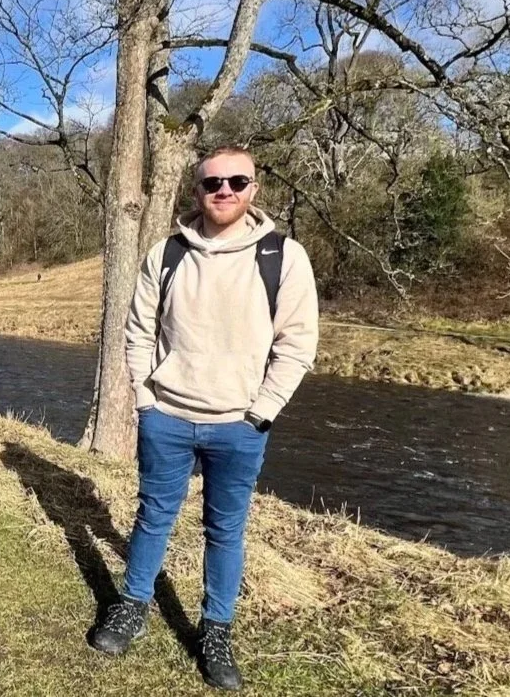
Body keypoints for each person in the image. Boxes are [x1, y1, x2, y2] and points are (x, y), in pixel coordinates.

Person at [91, 145, 319, 691]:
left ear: (253, 189)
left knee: (226, 531)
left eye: (236, 182)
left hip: (239, 426)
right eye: (212, 182)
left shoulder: (284, 257)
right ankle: (132, 606)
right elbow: (139, 330)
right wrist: (145, 401)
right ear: (196, 190)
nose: (224, 191)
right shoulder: (165, 253)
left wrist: (261, 413)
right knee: (153, 517)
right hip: (166, 417)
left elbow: (298, 344)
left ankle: (216, 630)